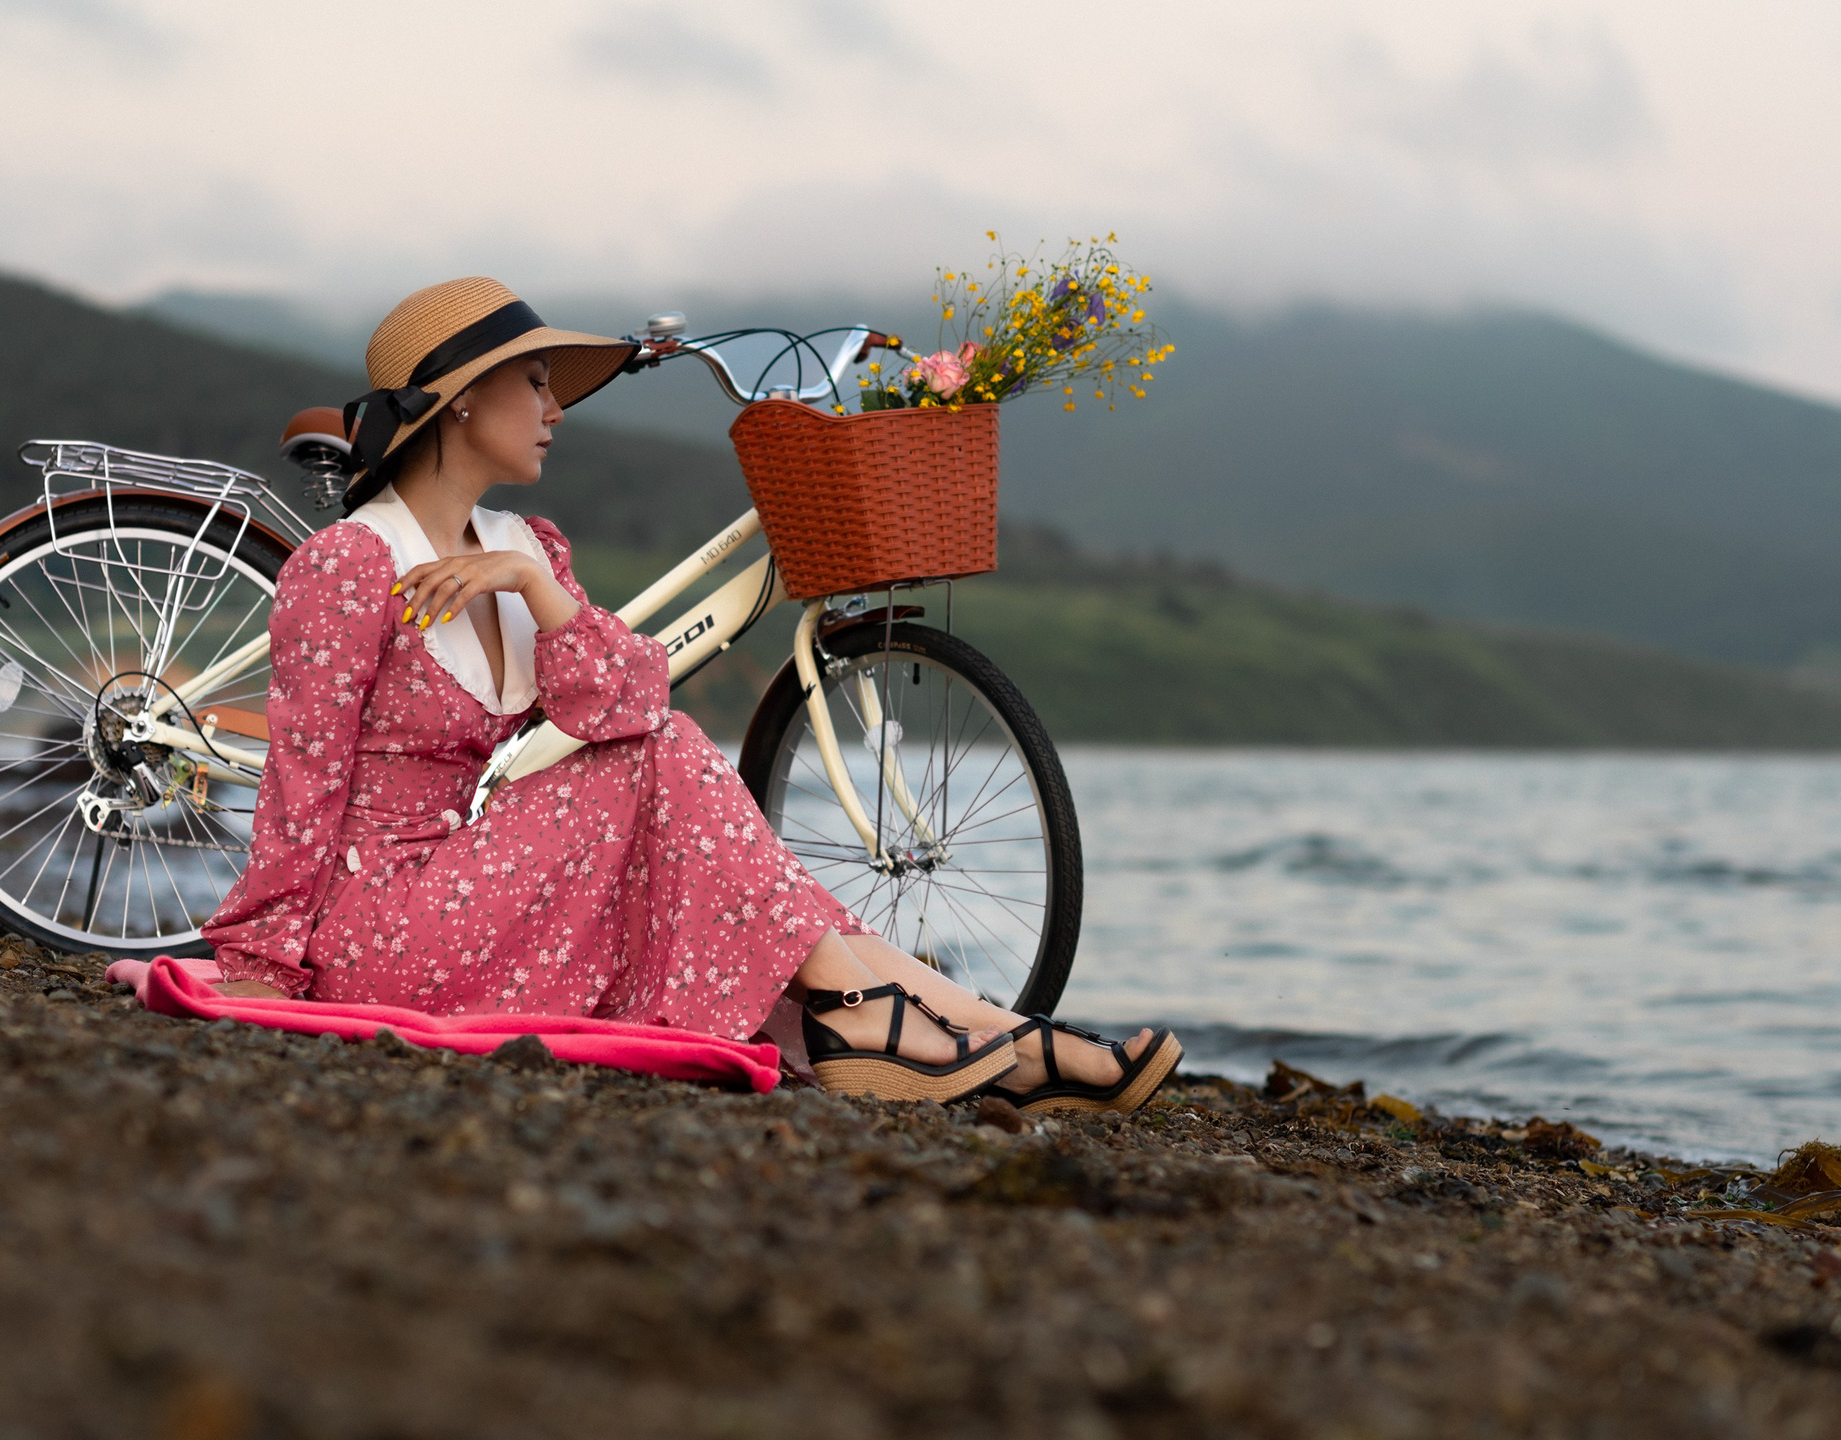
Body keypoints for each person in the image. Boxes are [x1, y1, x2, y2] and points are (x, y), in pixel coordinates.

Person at [201, 277, 1180, 1111]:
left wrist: (538, 594)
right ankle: (901, 1022)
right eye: (536, 385)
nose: (555, 410)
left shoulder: (523, 547)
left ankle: (989, 1034)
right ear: (461, 399)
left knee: (653, 747)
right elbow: (301, 786)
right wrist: (264, 972)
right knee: (658, 754)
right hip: (379, 928)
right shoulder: (347, 565)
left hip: (471, 883)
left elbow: (620, 704)